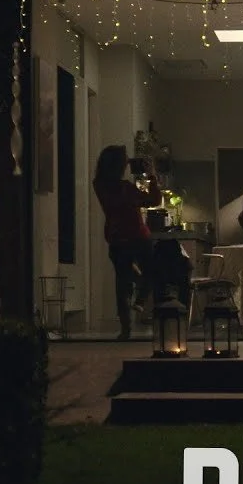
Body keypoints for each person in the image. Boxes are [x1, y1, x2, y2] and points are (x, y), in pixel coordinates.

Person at [93, 145, 161, 340]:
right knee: (149, 273)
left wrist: (147, 175)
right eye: (124, 161)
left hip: (118, 239)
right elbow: (153, 200)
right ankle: (139, 300)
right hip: (137, 236)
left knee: (122, 283)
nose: (126, 164)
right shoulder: (125, 188)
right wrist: (150, 176)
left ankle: (126, 328)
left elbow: (149, 200)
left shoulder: (100, 185)